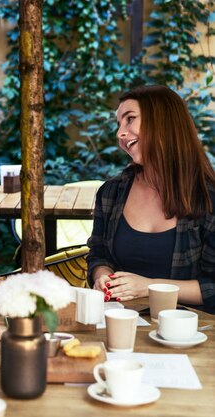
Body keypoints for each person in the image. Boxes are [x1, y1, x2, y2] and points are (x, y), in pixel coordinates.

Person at [87, 85, 215, 313]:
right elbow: (98, 254)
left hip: (191, 332)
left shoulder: (208, 197)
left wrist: (149, 287)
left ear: (162, 121)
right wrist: (103, 275)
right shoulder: (111, 192)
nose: (120, 134)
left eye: (130, 119)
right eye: (119, 124)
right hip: (121, 323)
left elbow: (212, 286)